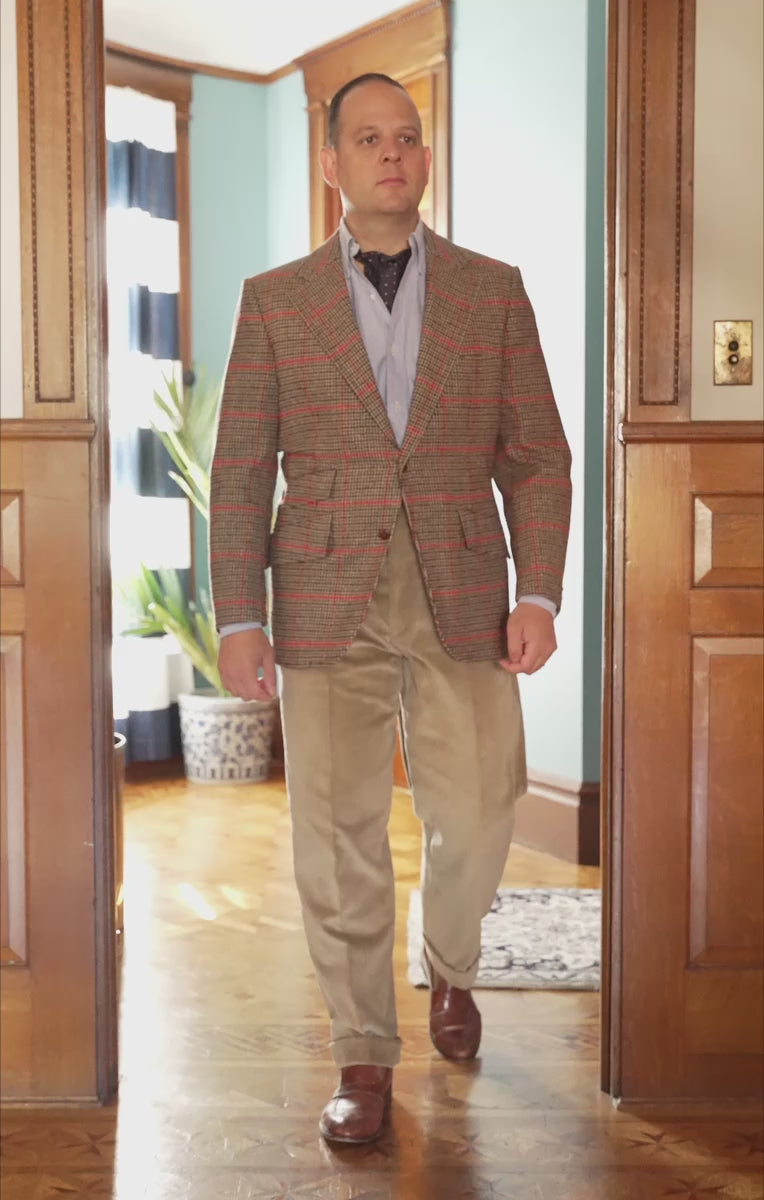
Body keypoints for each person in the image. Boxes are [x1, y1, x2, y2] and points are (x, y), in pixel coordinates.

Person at [209, 73, 572, 1145]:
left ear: (424, 158)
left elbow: (538, 458)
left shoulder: (491, 290)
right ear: (330, 163)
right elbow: (239, 472)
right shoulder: (274, 301)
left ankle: (450, 965)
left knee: (483, 803)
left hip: (461, 582)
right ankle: (363, 1052)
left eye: (406, 138)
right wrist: (238, 616)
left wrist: (540, 591)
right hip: (322, 593)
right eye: (366, 139)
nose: (390, 155)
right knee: (334, 830)